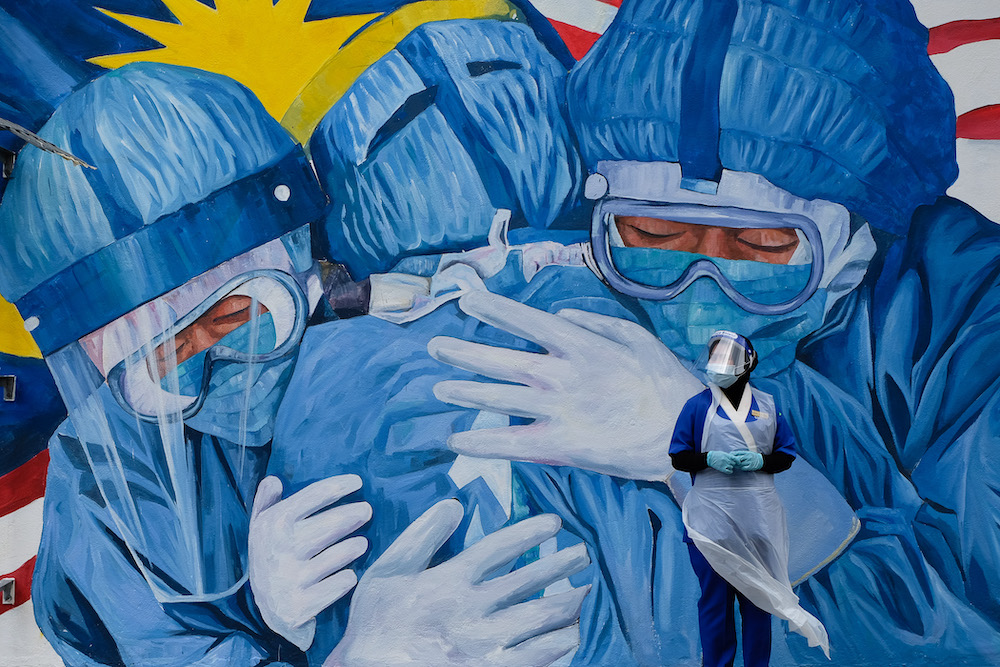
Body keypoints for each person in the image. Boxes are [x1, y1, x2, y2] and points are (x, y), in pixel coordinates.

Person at [270, 0, 1000, 664]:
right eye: (651, 235)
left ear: (858, 239)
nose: (700, 292)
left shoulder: (960, 327)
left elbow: (964, 629)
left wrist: (699, 449)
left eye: (764, 250)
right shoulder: (565, 300)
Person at [0, 62, 588, 666]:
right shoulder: (103, 480)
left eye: (235, 317)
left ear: (297, 254)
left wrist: (681, 441)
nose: (210, 367)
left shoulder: (453, 337)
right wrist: (311, 640)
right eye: (164, 358)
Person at [670, 331, 824, 666]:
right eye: (716, 359)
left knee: (758, 603)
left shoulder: (767, 406)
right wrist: (708, 458)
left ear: (746, 363)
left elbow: (785, 456)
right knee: (715, 605)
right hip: (710, 526)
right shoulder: (697, 407)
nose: (719, 367)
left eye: (727, 359)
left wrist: (761, 462)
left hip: (758, 523)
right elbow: (679, 457)